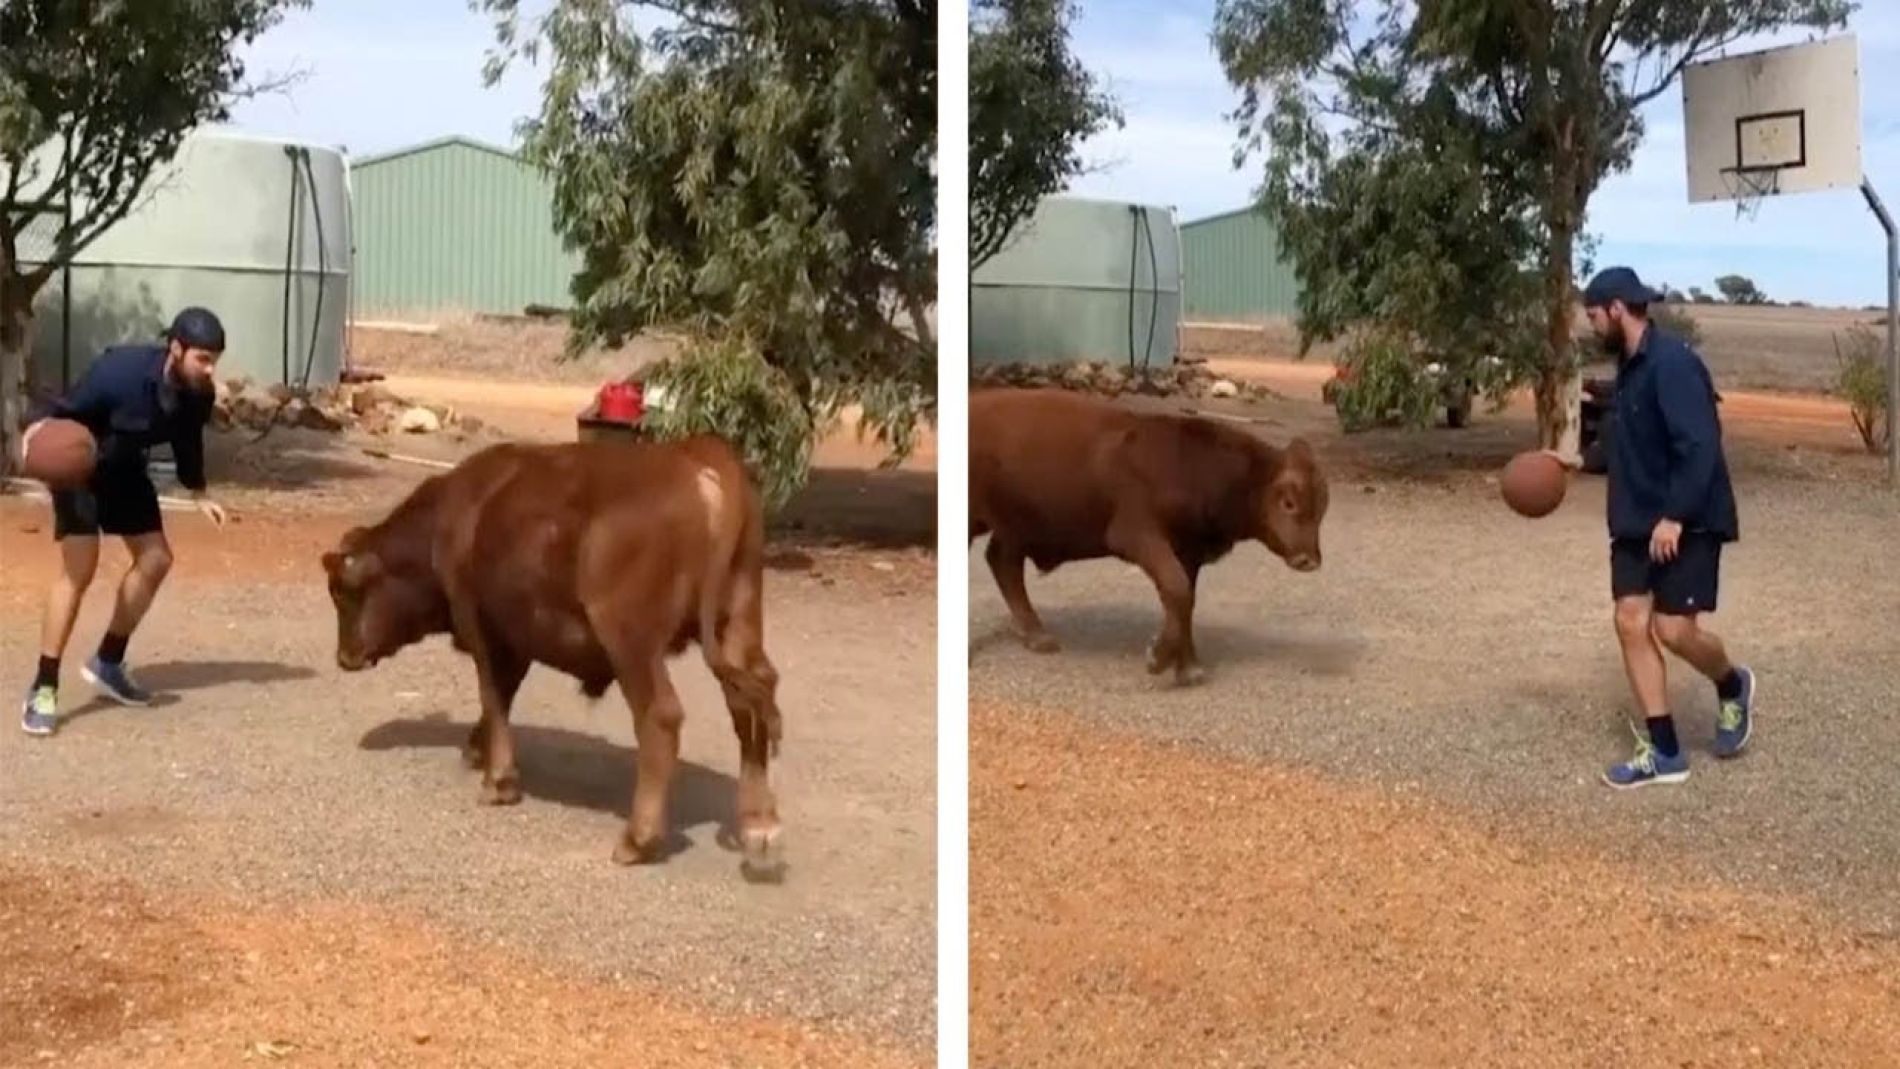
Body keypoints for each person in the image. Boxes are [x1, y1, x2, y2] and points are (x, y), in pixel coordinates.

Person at [19, 307, 231, 737]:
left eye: (214, 360)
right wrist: (36, 433)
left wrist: (199, 492)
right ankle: (44, 685)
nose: (210, 369)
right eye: (203, 359)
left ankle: (108, 663)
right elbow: (67, 407)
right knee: (80, 568)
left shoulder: (197, 394)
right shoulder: (120, 371)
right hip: (80, 462)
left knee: (156, 559)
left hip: (123, 467)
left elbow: (187, 443)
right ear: (176, 348)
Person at [1581, 267, 1755, 789]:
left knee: (1674, 630)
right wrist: (1575, 461)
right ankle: (1665, 751)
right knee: (1631, 622)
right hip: (1637, 521)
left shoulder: (1672, 364)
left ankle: (1731, 684)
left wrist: (1675, 516)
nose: (1590, 325)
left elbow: (1700, 445)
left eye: (1592, 314)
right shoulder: (1630, 367)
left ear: (1616, 309)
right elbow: (1627, 442)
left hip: (1690, 519)